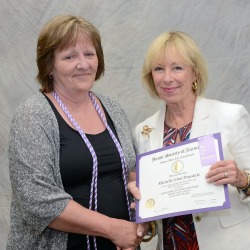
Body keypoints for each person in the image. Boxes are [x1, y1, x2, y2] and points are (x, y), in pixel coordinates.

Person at [7, 14, 149, 250]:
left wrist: (143, 209)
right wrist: (113, 228)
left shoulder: (111, 107)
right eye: (70, 56)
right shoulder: (34, 115)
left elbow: (130, 170)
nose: (83, 64)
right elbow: (36, 200)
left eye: (89, 54)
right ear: (49, 65)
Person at [133, 31, 250, 250]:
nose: (167, 78)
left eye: (177, 67)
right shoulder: (143, 131)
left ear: (194, 73)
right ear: (151, 76)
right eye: (159, 69)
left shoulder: (231, 116)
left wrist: (243, 179)